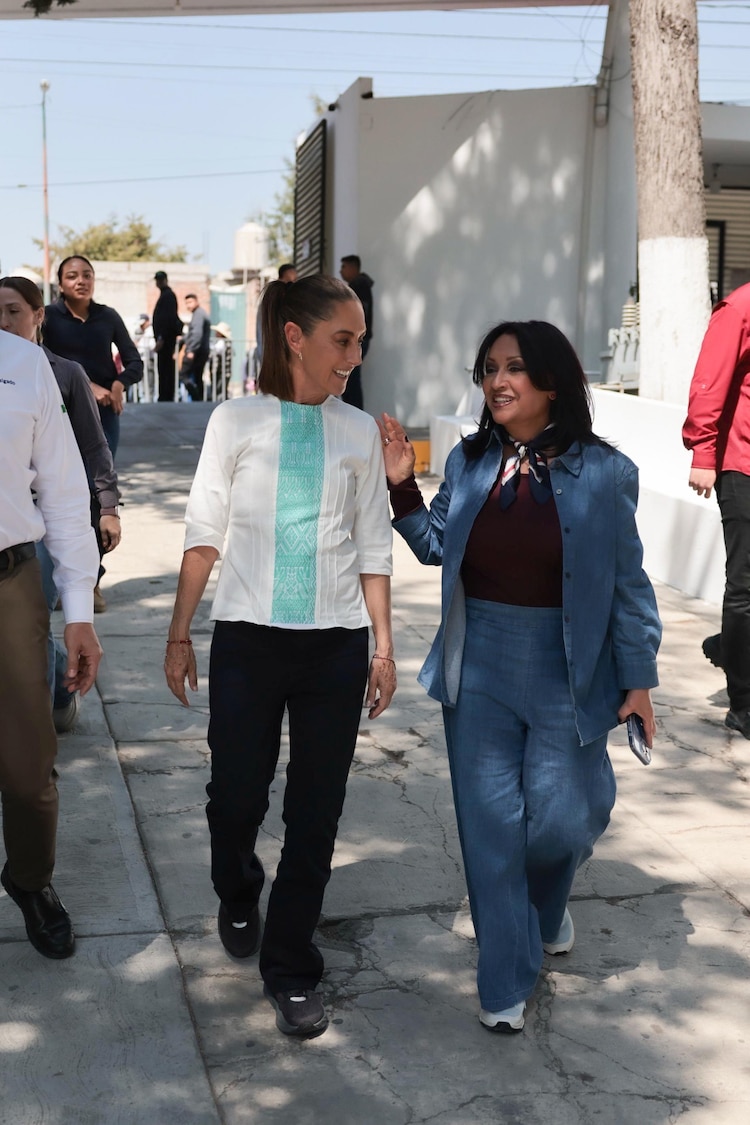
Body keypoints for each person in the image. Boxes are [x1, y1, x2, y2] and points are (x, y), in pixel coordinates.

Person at [379, 320, 661, 1034]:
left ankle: (545, 903)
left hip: (571, 667)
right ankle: (505, 976)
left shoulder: (607, 472)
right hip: (478, 664)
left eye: (515, 369)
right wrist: (402, 487)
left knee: (564, 818)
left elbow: (629, 583)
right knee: (491, 828)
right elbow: (435, 545)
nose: (498, 381)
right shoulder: (471, 460)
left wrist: (639, 678)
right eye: (489, 368)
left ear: (553, 383)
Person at [164, 274, 395, 1039]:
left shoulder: (358, 430)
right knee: (235, 797)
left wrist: (383, 644)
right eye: (344, 339)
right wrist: (178, 632)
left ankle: (291, 964)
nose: (355, 356)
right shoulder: (234, 420)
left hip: (334, 645)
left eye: (361, 342)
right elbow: (204, 531)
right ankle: (237, 882)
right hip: (247, 642)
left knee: (316, 810)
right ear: (295, 337)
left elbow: (372, 546)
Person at [0, 328, 102, 960]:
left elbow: (64, 491)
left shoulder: (22, 362)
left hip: (10, 581)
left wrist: (80, 610)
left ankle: (29, 880)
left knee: (29, 768)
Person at [0, 276, 120, 732]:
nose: (5, 321)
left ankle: (52, 701)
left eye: (14, 311)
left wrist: (107, 507)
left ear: (37, 316)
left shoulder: (62, 373)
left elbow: (93, 449)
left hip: (44, 526)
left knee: (35, 622)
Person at [683, 281, 750, 736]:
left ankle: (731, 644)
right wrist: (703, 454)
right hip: (743, 465)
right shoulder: (741, 306)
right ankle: (743, 703)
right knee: (746, 586)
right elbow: (711, 378)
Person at [43, 255, 144, 460]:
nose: (81, 281)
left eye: (87, 276)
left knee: (102, 481)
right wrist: (87, 386)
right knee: (66, 482)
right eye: (72, 276)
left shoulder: (108, 316)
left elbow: (135, 362)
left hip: (104, 411)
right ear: (61, 285)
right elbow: (42, 362)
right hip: (61, 409)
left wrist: (119, 384)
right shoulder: (46, 317)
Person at [339, 255, 374, 410]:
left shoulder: (358, 287)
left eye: (344, 267)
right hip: (356, 340)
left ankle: (355, 415)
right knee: (349, 379)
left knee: (351, 380)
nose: (341, 271)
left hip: (356, 340)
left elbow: (358, 315)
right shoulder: (358, 286)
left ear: (353, 268)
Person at [253, 263, 297, 379]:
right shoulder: (273, 298)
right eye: (293, 273)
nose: (295, 277)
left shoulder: (285, 297)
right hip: (273, 353)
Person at [152, 271, 183, 403]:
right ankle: (164, 395)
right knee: (164, 369)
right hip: (164, 339)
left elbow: (167, 319)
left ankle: (166, 396)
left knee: (166, 370)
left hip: (166, 340)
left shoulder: (168, 296)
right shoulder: (165, 296)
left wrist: (161, 338)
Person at [179, 294, 211, 401]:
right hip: (200, 350)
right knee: (198, 376)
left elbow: (197, 334)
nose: (188, 305)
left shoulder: (198, 314)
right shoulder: (199, 314)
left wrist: (191, 349)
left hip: (197, 351)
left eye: (190, 302)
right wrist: (183, 339)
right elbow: (192, 333)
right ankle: (199, 399)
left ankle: (197, 397)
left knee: (183, 375)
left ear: (197, 302)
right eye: (186, 303)